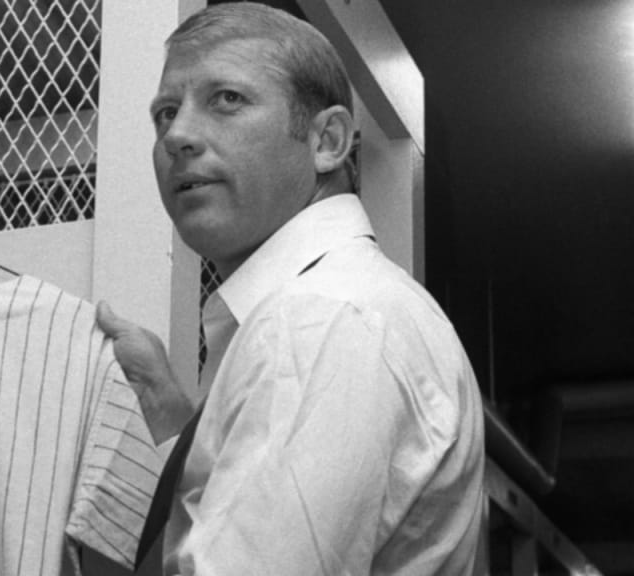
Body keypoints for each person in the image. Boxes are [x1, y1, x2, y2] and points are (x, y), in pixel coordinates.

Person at [95, 3, 485, 574]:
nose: (177, 134)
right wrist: (170, 416)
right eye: (166, 112)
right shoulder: (335, 308)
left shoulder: (318, 321)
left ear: (327, 141)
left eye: (227, 99)